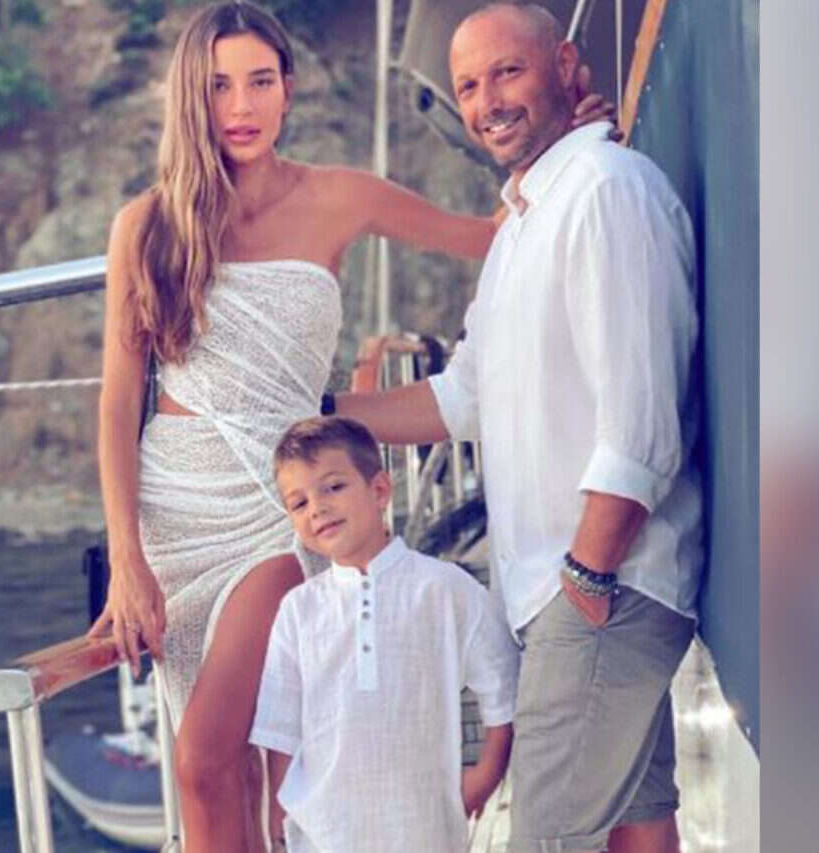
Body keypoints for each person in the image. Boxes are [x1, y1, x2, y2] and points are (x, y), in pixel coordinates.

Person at [87, 3, 614, 851]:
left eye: (261, 81)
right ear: (192, 95)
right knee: (250, 770)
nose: (242, 106)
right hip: (174, 507)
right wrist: (127, 560)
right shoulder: (145, 227)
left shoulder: (341, 196)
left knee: (201, 760)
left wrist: (566, 147)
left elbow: (493, 236)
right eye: (220, 86)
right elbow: (119, 402)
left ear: (288, 89)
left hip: (281, 501)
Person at [334, 4, 702, 853]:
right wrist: (320, 414)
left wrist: (586, 578)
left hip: (605, 586)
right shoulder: (521, 228)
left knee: (545, 838)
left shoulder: (605, 192)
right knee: (638, 830)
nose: (487, 102)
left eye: (508, 72)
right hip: (565, 590)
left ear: (566, 67)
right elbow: (461, 397)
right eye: (468, 86)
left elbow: (641, 424)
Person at [252, 416, 518, 853]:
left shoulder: (443, 588)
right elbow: (281, 731)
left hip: (423, 831)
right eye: (299, 503)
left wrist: (485, 776)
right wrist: (279, 821)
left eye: (333, 487)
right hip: (325, 835)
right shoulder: (298, 610)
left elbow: (503, 688)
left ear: (379, 490)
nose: (317, 508)